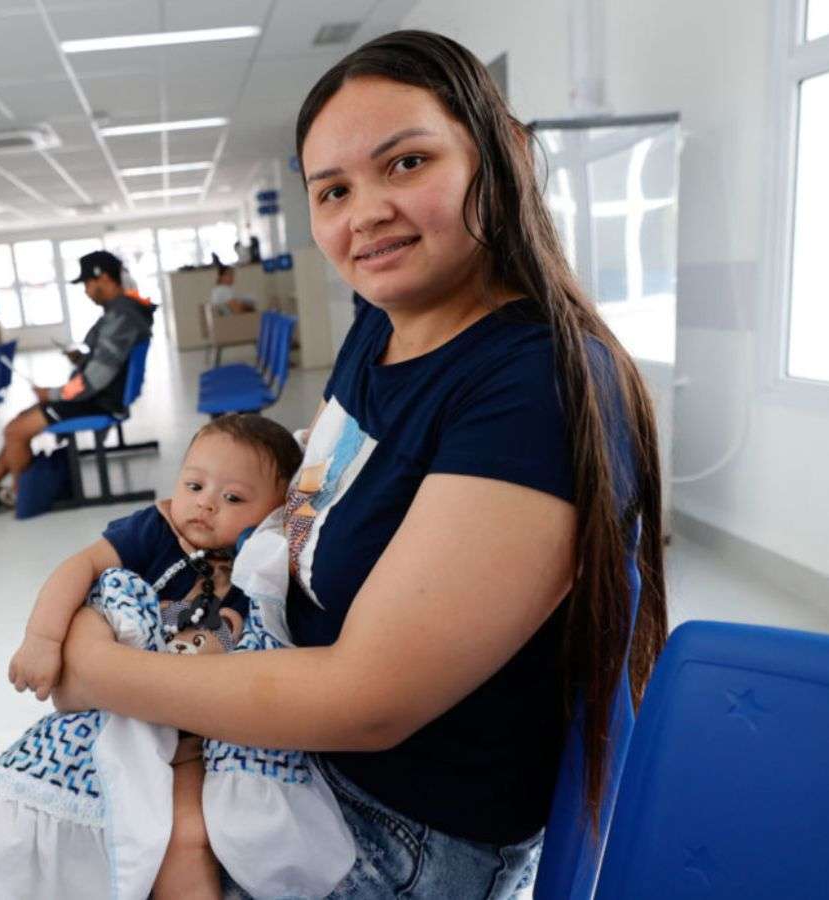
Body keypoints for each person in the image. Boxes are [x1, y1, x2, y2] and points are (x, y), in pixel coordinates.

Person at [53, 29, 669, 897]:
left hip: (399, 833)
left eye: (407, 163)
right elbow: (318, 490)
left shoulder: (534, 385)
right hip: (306, 758)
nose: (365, 212)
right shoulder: (384, 323)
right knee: (36, 823)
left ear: (500, 160)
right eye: (332, 189)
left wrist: (107, 675)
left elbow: (368, 701)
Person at [0, 416, 304, 898]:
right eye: (194, 484)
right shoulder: (155, 531)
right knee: (13, 816)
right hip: (124, 714)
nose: (205, 503)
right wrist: (42, 637)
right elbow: (81, 566)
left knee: (187, 838)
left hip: (198, 739)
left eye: (233, 498)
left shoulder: (263, 567)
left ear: (273, 510)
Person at [0, 250, 153, 507]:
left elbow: (96, 379)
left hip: (98, 400)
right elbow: (105, 364)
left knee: (14, 431)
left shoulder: (121, 316)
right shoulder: (125, 311)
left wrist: (54, 394)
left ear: (103, 278)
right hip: (99, 395)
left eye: (87, 284)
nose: (86, 290)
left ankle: (19, 496)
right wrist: (82, 360)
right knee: (18, 423)